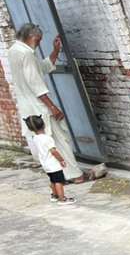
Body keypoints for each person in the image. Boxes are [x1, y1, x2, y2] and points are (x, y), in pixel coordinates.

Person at [9, 23, 105, 183]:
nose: (39, 43)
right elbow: (35, 83)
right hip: (39, 107)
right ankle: (76, 175)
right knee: (61, 139)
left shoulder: (14, 50)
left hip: (28, 109)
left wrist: (55, 51)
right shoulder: (26, 54)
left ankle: (62, 175)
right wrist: (52, 107)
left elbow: (41, 68)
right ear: (33, 37)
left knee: (47, 144)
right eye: (39, 40)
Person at [24, 115, 74, 204]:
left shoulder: (35, 138)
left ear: (31, 129)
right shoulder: (47, 138)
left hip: (45, 164)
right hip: (53, 164)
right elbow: (53, 151)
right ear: (44, 125)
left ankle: (54, 196)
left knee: (53, 181)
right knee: (59, 181)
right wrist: (61, 160)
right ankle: (62, 199)